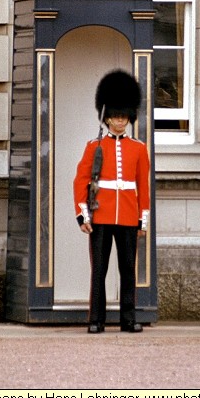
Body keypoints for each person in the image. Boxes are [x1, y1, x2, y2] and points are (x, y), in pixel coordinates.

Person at [73, 69, 150, 334]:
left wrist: (143, 219)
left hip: (128, 215)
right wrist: (83, 215)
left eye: (124, 116)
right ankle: (96, 319)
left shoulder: (139, 148)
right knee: (100, 271)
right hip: (101, 215)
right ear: (106, 118)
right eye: (116, 116)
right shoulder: (94, 146)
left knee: (128, 270)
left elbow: (143, 186)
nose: (120, 121)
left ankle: (128, 319)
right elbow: (80, 181)